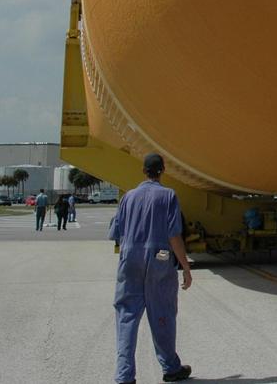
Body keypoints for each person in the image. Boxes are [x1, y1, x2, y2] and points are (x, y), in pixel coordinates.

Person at [109, 153, 193, 384]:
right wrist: (185, 267)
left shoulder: (128, 197)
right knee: (163, 312)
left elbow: (115, 233)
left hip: (130, 257)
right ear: (162, 170)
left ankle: (124, 375)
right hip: (160, 256)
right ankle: (170, 367)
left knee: (127, 316)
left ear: (144, 171)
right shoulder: (168, 196)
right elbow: (173, 234)